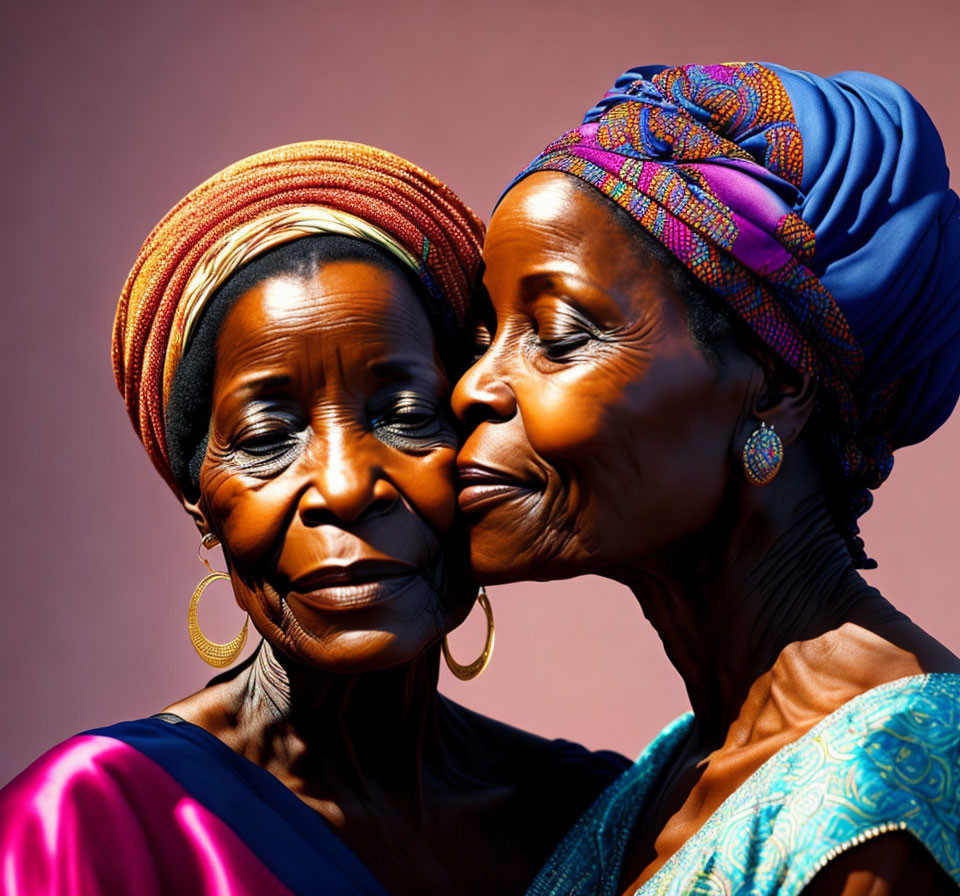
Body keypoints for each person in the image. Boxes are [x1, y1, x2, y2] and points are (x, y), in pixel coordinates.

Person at [452, 64, 960, 895]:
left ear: (773, 386)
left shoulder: (897, 776)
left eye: (554, 335)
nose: (471, 386)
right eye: (485, 334)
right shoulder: (662, 779)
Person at [0, 141, 626, 896]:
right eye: (267, 440)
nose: (344, 485)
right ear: (201, 504)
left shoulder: (593, 818)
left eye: (405, 416)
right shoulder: (93, 823)